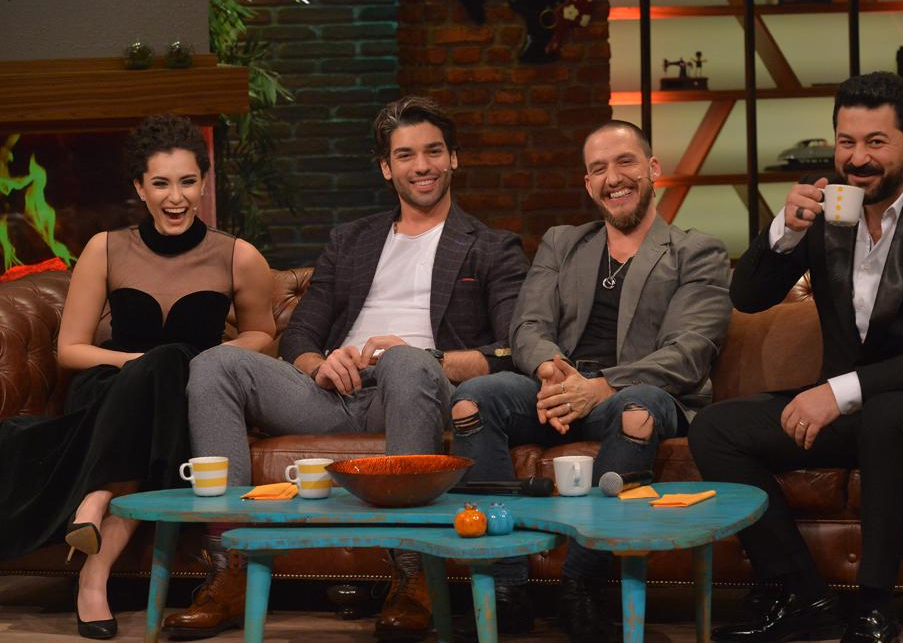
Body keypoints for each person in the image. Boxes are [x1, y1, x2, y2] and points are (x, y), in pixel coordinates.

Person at [163, 95, 528, 641]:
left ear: (454, 158)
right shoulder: (351, 240)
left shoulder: (493, 247)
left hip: (419, 387)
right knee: (217, 363)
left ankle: (414, 579)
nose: (422, 166)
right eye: (405, 155)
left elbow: (510, 350)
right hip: (338, 392)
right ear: (386, 168)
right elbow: (301, 334)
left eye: (433, 151)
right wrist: (319, 364)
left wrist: (422, 356)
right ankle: (229, 571)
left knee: (405, 362)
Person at [689, 71, 903, 643]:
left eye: (876, 142)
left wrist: (838, 391)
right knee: (715, 428)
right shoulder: (828, 208)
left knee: (886, 415)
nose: (857, 159)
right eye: (846, 141)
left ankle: (875, 605)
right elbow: (747, 297)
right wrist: (784, 230)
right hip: (855, 411)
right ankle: (802, 595)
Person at [449, 120, 732, 640]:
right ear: (587, 183)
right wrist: (550, 370)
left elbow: (689, 352)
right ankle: (506, 587)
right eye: (598, 169)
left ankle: (582, 587)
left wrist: (600, 388)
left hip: (640, 392)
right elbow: (527, 325)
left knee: (638, 410)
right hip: (558, 386)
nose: (613, 178)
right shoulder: (562, 243)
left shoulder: (696, 251)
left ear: (652, 169)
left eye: (625, 162)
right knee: (472, 401)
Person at [0, 113, 276, 640]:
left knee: (171, 370)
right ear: (139, 188)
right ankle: (95, 533)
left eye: (188, 181)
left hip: (185, 395)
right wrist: (142, 364)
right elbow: (70, 351)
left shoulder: (238, 256)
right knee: (163, 365)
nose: (176, 197)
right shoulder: (105, 248)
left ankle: (94, 550)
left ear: (204, 183)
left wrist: (202, 362)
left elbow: (262, 334)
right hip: (110, 388)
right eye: (161, 183)